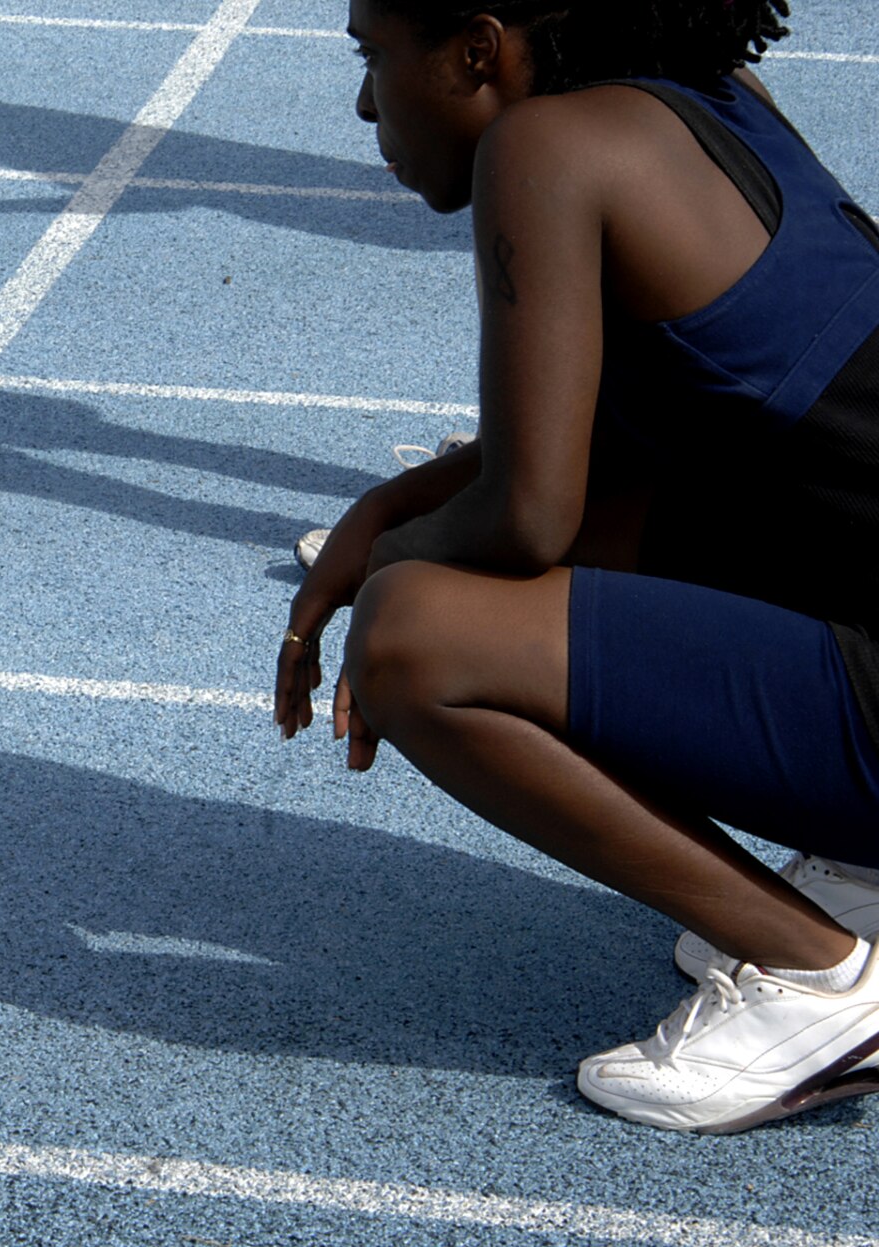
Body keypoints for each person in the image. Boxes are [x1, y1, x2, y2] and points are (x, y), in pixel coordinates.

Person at [275, 0, 879, 1133]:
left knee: (416, 637)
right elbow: (605, 446)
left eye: (371, 54)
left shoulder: (542, 149)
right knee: (632, 514)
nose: (364, 103)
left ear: (477, 49)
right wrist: (385, 506)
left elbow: (525, 513)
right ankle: (860, 865)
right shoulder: (707, 102)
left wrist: (374, 571)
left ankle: (821, 977)